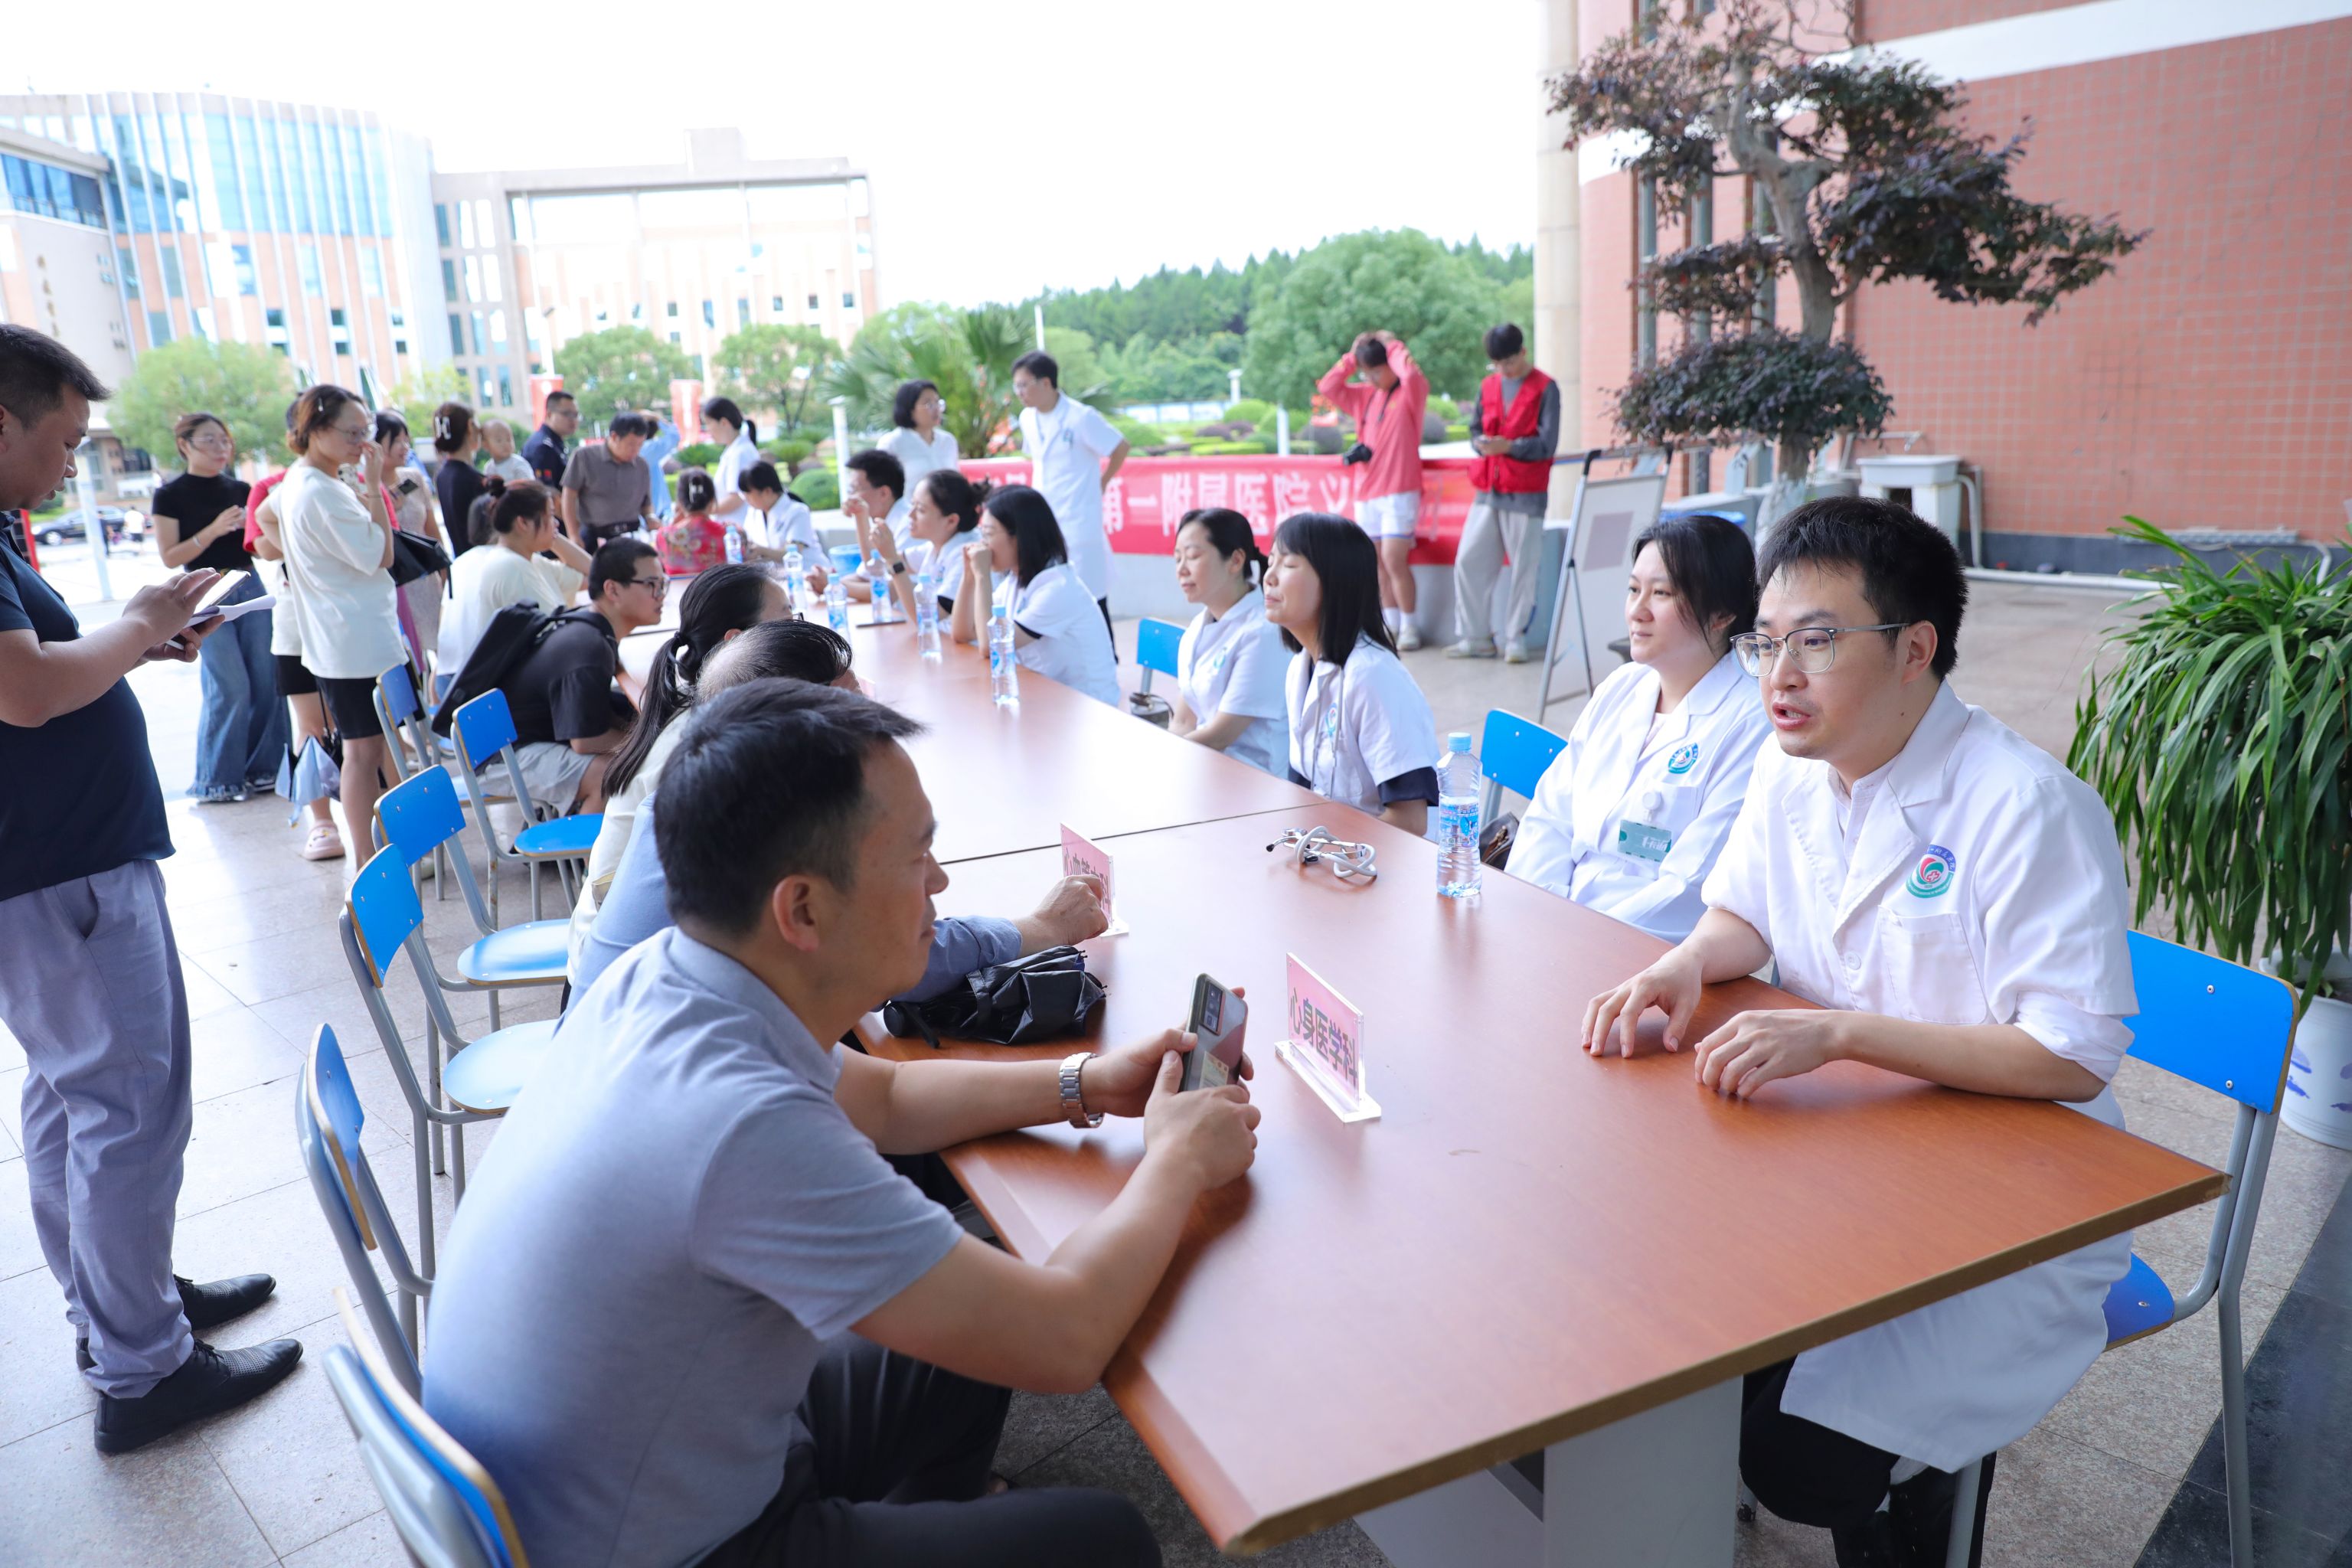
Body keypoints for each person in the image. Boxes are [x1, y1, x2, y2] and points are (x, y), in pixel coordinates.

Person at [426, 678, 1253, 1568]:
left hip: (640, 1465)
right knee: (1103, 1539)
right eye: (918, 854)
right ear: (804, 908)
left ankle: (925, 1512)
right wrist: (1175, 1160)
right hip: (679, 1549)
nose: (939, 881)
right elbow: (1067, 1338)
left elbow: (887, 1100)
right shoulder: (739, 1124)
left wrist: (1086, 1081)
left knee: (975, 1294)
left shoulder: (663, 974)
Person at [1582, 497, 2141, 1564]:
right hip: (1844, 1161)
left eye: (1819, 641)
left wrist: (1842, 1035)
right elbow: (1746, 914)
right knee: (1663, 1341)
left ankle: (1926, 1498)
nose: (1779, 676)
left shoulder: (2024, 804)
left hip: (2009, 1199)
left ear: (1915, 649)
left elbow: (2071, 1055)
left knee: (1799, 1458)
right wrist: (1684, 960)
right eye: (1766, 643)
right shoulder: (1792, 770)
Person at [0, 324, 301, 1455]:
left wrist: (138, 637)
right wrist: (137, 625)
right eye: (67, 440)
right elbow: (26, 692)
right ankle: (145, 1366)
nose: (73, 462)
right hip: (59, 871)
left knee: (74, 1101)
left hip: (53, 865)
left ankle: (121, 1304)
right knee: (126, 1108)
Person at [570, 624, 1112, 1001]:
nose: (872, 719)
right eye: (852, 705)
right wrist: (1040, 927)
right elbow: (899, 959)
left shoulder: (712, 782)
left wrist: (1079, 1085)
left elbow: (880, 1089)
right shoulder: (759, 825)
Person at [1508, 514, 1769, 941]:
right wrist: (1542, 913)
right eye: (1633, 589)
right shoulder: (1622, 687)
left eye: (1661, 593)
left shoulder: (1751, 722)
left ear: (1722, 613)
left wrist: (1580, 938)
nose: (1637, 610)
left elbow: (1690, 889)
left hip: (1642, 951)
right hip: (1548, 924)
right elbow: (1550, 817)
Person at [571, 564, 790, 968]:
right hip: (618, 975)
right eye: (787, 620)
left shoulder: (700, 704)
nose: (799, 632)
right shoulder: (705, 743)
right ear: (737, 641)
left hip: (625, 951)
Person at [278, 384, 402, 863]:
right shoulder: (319, 490)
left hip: (347, 637)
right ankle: (370, 859)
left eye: (365, 431)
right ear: (315, 429)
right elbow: (382, 554)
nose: (362, 443)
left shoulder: (306, 480)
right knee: (363, 753)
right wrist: (373, 487)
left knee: (371, 749)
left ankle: (385, 850)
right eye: (352, 433)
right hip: (352, 642)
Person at [1262, 511, 1441, 835]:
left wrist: (1328, 850)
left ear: (1334, 581)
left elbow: (1410, 823)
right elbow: (1303, 788)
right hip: (1333, 848)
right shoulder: (1300, 668)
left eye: (1287, 565)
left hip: (1386, 858)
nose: (1269, 576)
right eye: (1271, 561)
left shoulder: (1373, 676)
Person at [150, 410, 283, 803]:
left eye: (225, 440)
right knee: (230, 685)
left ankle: (266, 770)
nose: (220, 448)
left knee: (267, 679)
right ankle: (218, 780)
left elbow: (259, 546)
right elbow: (170, 557)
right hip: (202, 589)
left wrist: (255, 530)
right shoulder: (169, 494)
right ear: (185, 445)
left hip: (249, 582)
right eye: (209, 440)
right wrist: (214, 529)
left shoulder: (242, 488)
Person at [492, 537, 664, 813]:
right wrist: (654, 745)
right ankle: (591, 843)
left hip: (523, 739)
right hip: (502, 754)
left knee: (633, 738)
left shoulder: (588, 628)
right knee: (609, 774)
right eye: (651, 584)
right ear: (613, 590)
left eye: (663, 583)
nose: (660, 594)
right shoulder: (588, 647)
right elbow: (586, 741)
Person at [244, 401, 344, 861]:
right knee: (310, 725)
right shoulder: (272, 487)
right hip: (296, 625)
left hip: (346, 623)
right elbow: (262, 546)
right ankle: (321, 822)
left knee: (365, 724)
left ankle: (380, 817)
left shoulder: (347, 482)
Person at [1449, 323, 1561, 663]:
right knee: (1468, 561)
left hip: (1526, 493)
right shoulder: (1488, 386)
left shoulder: (1546, 388)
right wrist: (1481, 444)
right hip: (1488, 489)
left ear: (1523, 353)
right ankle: (1477, 637)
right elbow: (1474, 428)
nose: (1503, 370)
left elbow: (1547, 444)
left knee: (1524, 570)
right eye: (1496, 365)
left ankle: (1516, 638)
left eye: (1509, 363)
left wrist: (1509, 446)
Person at [950, 484, 1119, 707]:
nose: (983, 544)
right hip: (1046, 697)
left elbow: (991, 648)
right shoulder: (1016, 580)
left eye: (989, 534)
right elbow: (962, 633)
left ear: (1020, 537)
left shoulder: (1057, 588)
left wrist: (982, 576)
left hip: (1088, 709)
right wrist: (969, 576)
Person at [1316, 331, 1429, 648]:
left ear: (1390, 364)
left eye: (1376, 371)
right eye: (1367, 373)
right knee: (1376, 563)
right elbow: (1328, 387)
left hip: (1399, 490)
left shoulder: (1410, 393)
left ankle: (1410, 627)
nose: (1371, 379)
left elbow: (1411, 374)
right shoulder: (1365, 396)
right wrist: (1352, 357)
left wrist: (1393, 345)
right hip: (1367, 492)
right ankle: (1390, 625)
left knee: (1394, 559)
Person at [1168, 507, 1289, 778]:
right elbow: (1184, 720)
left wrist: (1164, 759)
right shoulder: (1198, 627)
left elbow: (1220, 736)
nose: (1182, 570)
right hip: (1205, 766)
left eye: (1193, 556)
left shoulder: (1263, 633)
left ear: (1235, 561)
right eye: (1177, 559)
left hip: (1255, 781)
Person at [436, 479, 592, 681]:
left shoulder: (520, 559)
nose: (556, 523)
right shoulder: (512, 566)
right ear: (522, 523)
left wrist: (549, 535)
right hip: (496, 690)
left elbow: (592, 575)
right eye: (550, 515)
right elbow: (556, 638)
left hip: (463, 679)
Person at [1012, 351, 1127, 618]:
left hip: (1079, 520)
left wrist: (1102, 482)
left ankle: (1105, 645)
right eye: (1016, 386)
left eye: (1024, 385)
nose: (1019, 393)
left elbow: (1120, 447)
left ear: (1046, 383)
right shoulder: (1027, 418)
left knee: (1092, 598)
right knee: (1051, 597)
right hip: (1044, 520)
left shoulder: (1081, 417)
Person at [850, 467, 988, 619]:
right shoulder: (934, 546)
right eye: (913, 505)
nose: (910, 515)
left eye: (921, 510)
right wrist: (861, 517)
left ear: (951, 521)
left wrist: (893, 560)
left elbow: (927, 618)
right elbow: (875, 565)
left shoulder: (965, 553)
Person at [379, 410, 447, 671]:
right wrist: (387, 509)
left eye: (406, 440)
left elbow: (432, 532)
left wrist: (444, 571)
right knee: (411, 662)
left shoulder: (413, 479)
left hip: (425, 580)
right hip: (395, 585)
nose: (404, 447)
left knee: (442, 652)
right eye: (396, 440)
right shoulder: (366, 489)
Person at [560, 410, 658, 549]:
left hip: (631, 533)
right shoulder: (584, 457)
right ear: (614, 437)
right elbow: (569, 496)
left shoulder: (641, 465)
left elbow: (646, 503)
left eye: (640, 445)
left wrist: (650, 517)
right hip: (594, 534)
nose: (635, 450)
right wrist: (573, 534)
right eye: (631, 444)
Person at [884, 378, 961, 499]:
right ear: (910, 409)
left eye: (938, 403)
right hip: (910, 510)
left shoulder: (948, 441)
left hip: (948, 510)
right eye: (929, 404)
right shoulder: (893, 442)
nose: (936, 409)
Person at [430, 401, 488, 562]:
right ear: (470, 426)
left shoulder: (442, 475)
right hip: (482, 563)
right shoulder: (474, 479)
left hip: (462, 563)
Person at [738, 460, 819, 564]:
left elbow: (793, 553)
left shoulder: (798, 512)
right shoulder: (754, 512)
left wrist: (761, 551)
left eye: (748, 494)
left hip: (807, 569)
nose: (746, 499)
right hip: (771, 571)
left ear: (767, 491)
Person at [655, 468, 729, 577]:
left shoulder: (663, 536)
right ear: (712, 500)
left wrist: (672, 526)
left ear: (680, 501)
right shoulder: (730, 533)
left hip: (679, 588)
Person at [703, 394, 761, 531]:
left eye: (709, 423)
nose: (707, 429)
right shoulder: (734, 450)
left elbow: (737, 498)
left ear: (724, 422)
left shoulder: (740, 453)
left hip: (738, 529)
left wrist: (703, 511)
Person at [842, 446, 912, 556]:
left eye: (855, 489)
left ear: (884, 493)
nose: (850, 497)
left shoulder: (909, 526)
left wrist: (860, 516)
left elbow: (875, 565)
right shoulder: (883, 521)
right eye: (850, 490)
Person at [522, 390, 577, 489]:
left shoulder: (554, 443)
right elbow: (546, 491)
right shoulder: (543, 447)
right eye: (567, 414)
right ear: (550, 414)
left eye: (575, 415)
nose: (573, 419)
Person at [480, 418, 534, 485]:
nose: (506, 444)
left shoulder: (518, 463)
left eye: (508, 439)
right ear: (485, 445)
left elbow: (527, 485)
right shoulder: (489, 468)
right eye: (499, 441)